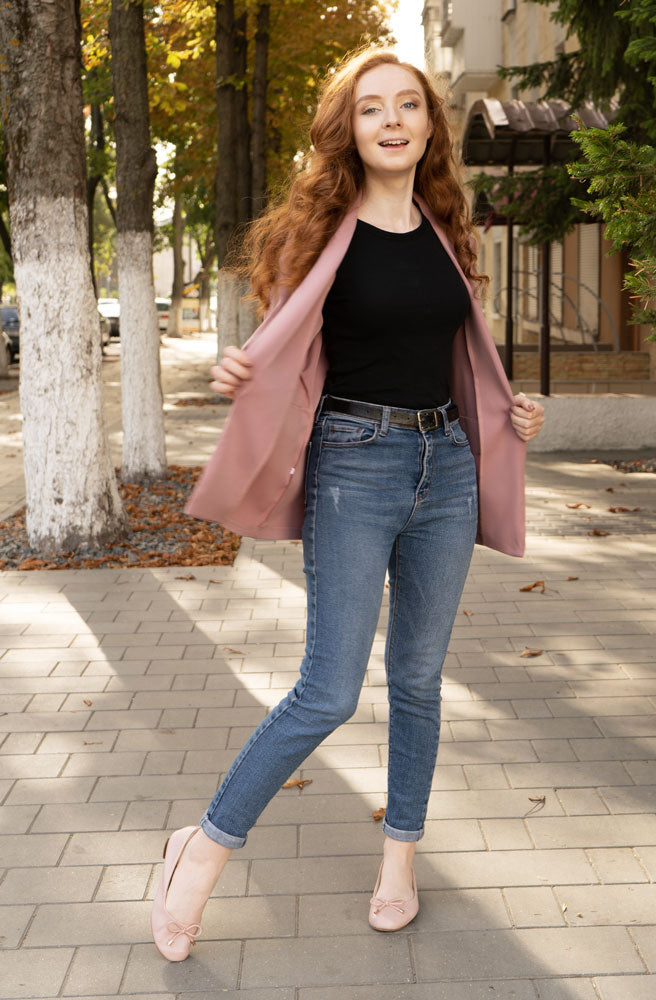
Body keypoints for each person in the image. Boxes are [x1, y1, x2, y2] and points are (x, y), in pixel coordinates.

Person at [150, 47, 545, 962]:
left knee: (416, 681)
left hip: (446, 467)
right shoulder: (322, 233)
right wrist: (234, 373)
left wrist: (514, 407)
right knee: (327, 690)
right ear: (350, 131)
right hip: (354, 467)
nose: (394, 121)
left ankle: (398, 862)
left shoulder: (450, 230)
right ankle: (199, 851)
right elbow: (279, 342)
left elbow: (458, 352)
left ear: (430, 128)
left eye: (410, 106)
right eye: (373, 110)